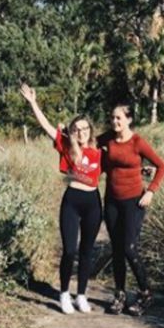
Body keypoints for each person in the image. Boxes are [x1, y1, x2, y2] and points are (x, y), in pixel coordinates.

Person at [19, 83, 102, 315]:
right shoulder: (65, 145)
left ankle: (81, 295)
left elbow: (120, 159)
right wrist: (33, 102)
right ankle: (64, 293)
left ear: (90, 130)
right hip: (72, 201)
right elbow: (45, 125)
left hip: (93, 203)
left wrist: (142, 172)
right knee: (69, 250)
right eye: (77, 129)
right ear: (72, 131)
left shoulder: (98, 149)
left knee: (87, 251)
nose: (81, 132)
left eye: (85, 129)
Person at [99, 104, 164, 315]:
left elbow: (162, 166)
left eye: (119, 118)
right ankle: (120, 294)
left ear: (129, 120)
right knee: (117, 249)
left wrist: (151, 191)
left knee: (129, 247)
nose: (115, 122)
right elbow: (84, 142)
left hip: (134, 202)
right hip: (111, 201)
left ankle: (145, 293)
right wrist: (67, 132)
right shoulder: (107, 139)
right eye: (112, 118)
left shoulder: (137, 142)